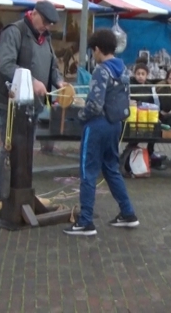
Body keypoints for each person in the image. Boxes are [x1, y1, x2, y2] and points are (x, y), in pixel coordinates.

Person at [65, 29, 138, 236]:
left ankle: (86, 221)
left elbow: (95, 105)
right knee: (111, 169)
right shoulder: (123, 69)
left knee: (88, 172)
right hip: (115, 125)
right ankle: (127, 212)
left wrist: (80, 116)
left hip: (97, 125)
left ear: (97, 49)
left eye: (93, 51)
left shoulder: (101, 70)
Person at [0, 0, 64, 212]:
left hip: (33, 105)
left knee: (27, 149)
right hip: (11, 103)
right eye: (45, 22)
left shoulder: (45, 37)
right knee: (10, 147)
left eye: (51, 24)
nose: (47, 27)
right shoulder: (14, 32)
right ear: (34, 14)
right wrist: (32, 81)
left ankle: (24, 190)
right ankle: (1, 195)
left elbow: (53, 65)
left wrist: (59, 81)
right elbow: (6, 65)